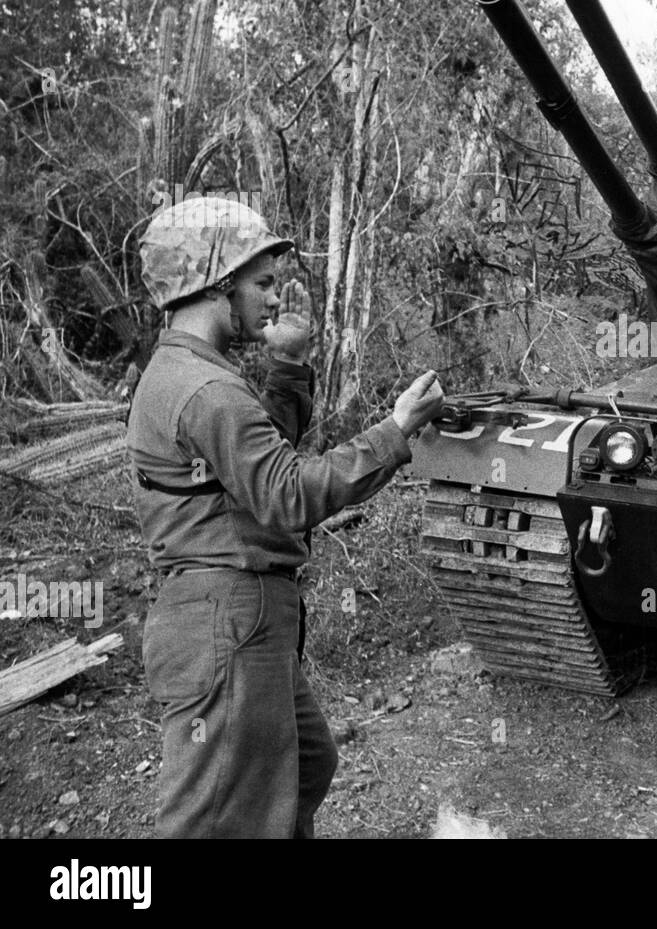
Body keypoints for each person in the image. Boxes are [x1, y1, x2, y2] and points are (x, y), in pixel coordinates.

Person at [128, 196, 445, 838]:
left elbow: (254, 463)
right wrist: (395, 429)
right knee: (209, 822)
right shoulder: (208, 391)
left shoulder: (186, 374)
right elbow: (285, 493)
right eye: (264, 283)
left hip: (236, 618)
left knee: (303, 767)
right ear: (220, 282)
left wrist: (291, 364)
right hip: (226, 624)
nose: (275, 301)